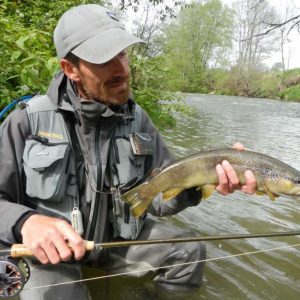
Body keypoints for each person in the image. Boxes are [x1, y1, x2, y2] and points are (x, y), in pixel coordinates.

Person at [0, 4, 256, 300]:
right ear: (70, 69)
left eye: (122, 53)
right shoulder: (27, 120)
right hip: (48, 253)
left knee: (189, 253)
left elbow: (158, 198)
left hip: (112, 242)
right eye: (104, 59)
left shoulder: (139, 121)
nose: (121, 69)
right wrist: (26, 222)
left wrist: (202, 181)